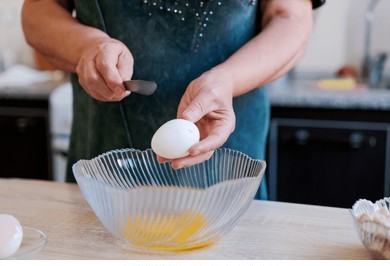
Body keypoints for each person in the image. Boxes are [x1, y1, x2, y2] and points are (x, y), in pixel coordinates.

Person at [21, 0, 325, 199]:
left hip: (227, 171)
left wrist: (227, 80)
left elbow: (290, 18)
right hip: (104, 173)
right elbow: (37, 11)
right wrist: (89, 46)